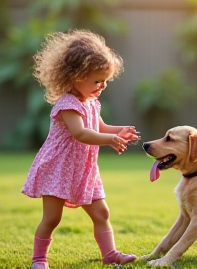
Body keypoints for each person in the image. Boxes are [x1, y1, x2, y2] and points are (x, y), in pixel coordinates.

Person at [22, 29, 140, 269]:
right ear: (76, 77)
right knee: (52, 218)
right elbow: (81, 133)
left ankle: (110, 254)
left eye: (105, 80)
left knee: (101, 213)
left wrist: (118, 131)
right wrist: (108, 140)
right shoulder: (68, 104)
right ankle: (39, 260)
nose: (102, 85)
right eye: (97, 80)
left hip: (84, 170)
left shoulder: (92, 103)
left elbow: (99, 126)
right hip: (59, 168)